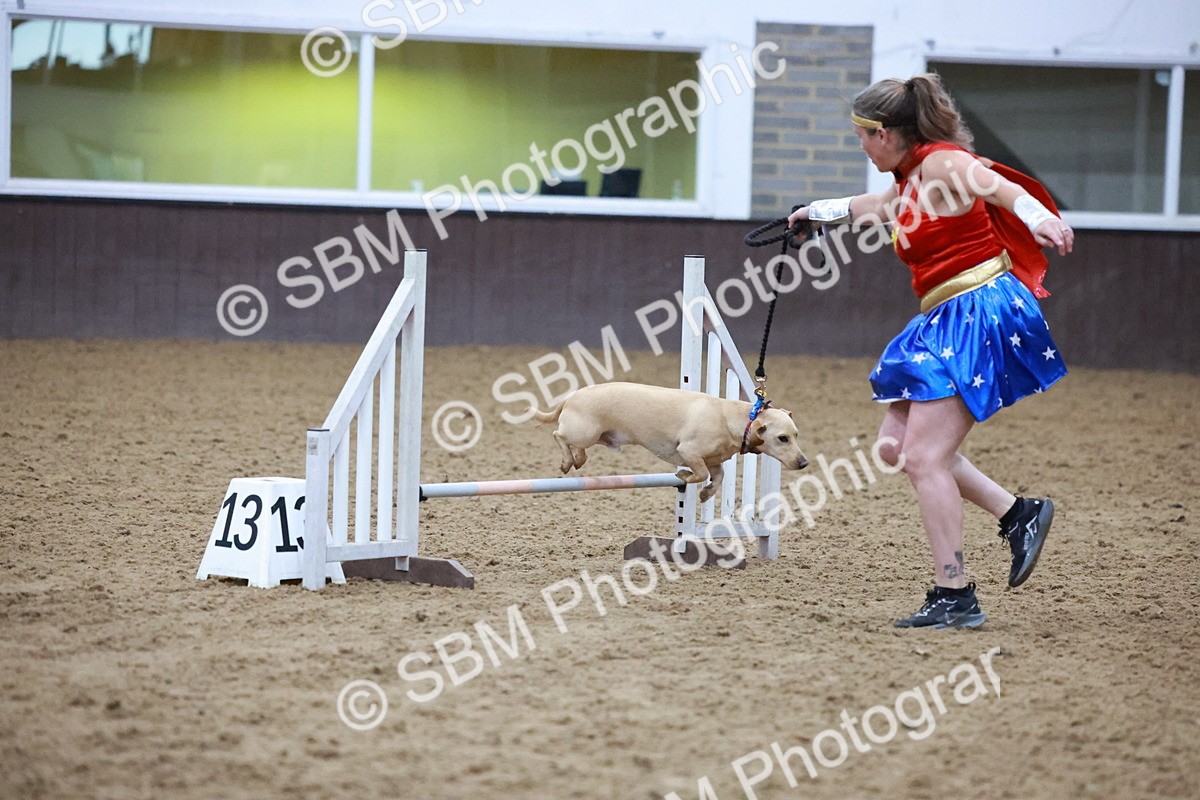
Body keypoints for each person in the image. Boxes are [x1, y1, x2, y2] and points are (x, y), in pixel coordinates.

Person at [788, 73, 1072, 630]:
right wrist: (817, 213)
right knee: (897, 448)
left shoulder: (941, 162)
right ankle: (1019, 514)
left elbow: (995, 185)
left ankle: (954, 593)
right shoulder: (909, 179)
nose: (861, 146)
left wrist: (1040, 217)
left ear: (885, 132)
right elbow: (877, 206)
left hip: (980, 311)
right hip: (945, 316)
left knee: (924, 456)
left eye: (861, 136)